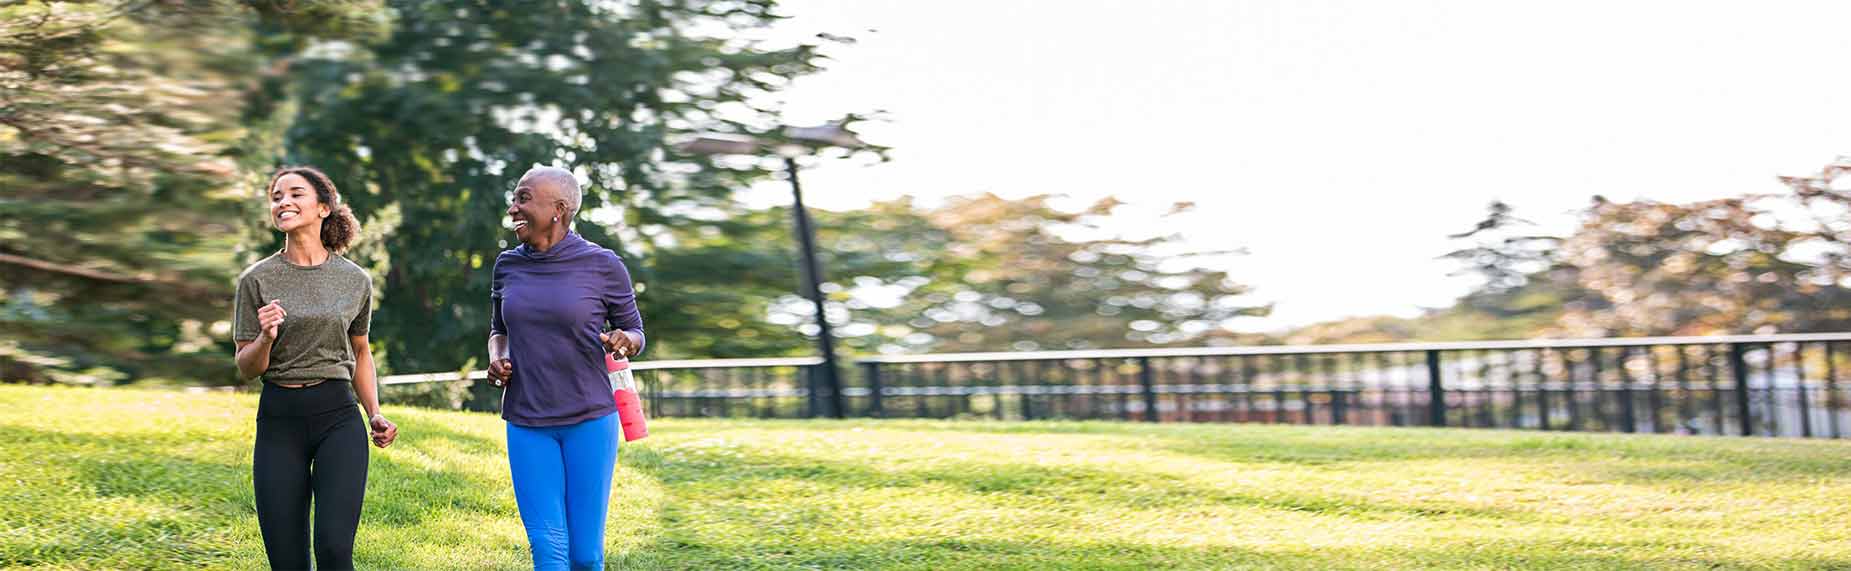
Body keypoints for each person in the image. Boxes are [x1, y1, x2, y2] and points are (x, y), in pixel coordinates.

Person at [233, 166, 398, 571]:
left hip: (337, 417)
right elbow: (245, 366)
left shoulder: (354, 280)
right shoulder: (256, 279)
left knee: (334, 548)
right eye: (276, 196)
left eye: (295, 194)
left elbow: (360, 352)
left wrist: (374, 412)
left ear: (323, 208)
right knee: (287, 560)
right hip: (279, 420)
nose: (283, 202)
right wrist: (265, 338)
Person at [486, 165, 645, 570]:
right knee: (547, 545)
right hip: (526, 418)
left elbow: (636, 330)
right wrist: (496, 357)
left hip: (590, 419)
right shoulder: (507, 265)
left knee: (585, 555)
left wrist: (627, 340)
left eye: (523, 199)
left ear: (559, 208)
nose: (513, 208)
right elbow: (498, 330)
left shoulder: (604, 264)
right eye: (515, 198)